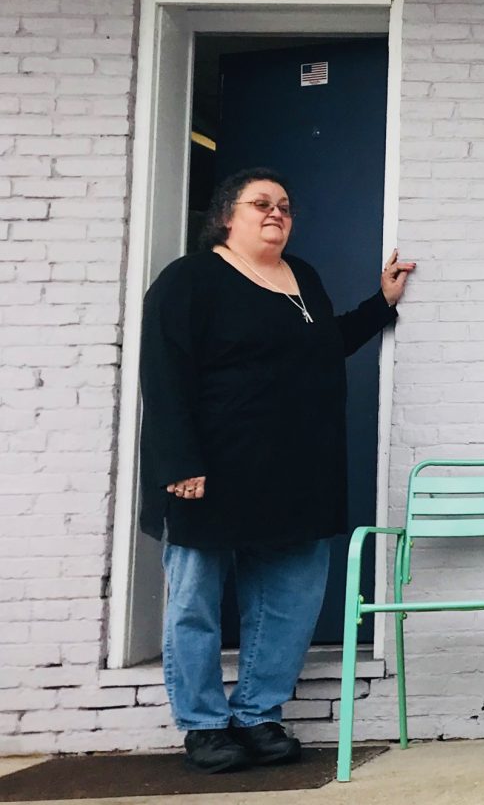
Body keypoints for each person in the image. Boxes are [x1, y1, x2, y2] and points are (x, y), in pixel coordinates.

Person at [138, 167, 415, 773]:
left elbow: (325, 344)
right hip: (209, 470)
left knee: (288, 601)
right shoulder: (190, 280)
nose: (276, 214)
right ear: (226, 217)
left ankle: (258, 714)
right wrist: (179, 461)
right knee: (195, 602)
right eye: (260, 203)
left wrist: (381, 304)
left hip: (298, 471)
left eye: (285, 206)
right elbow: (163, 376)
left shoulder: (302, 277)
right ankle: (205, 725)